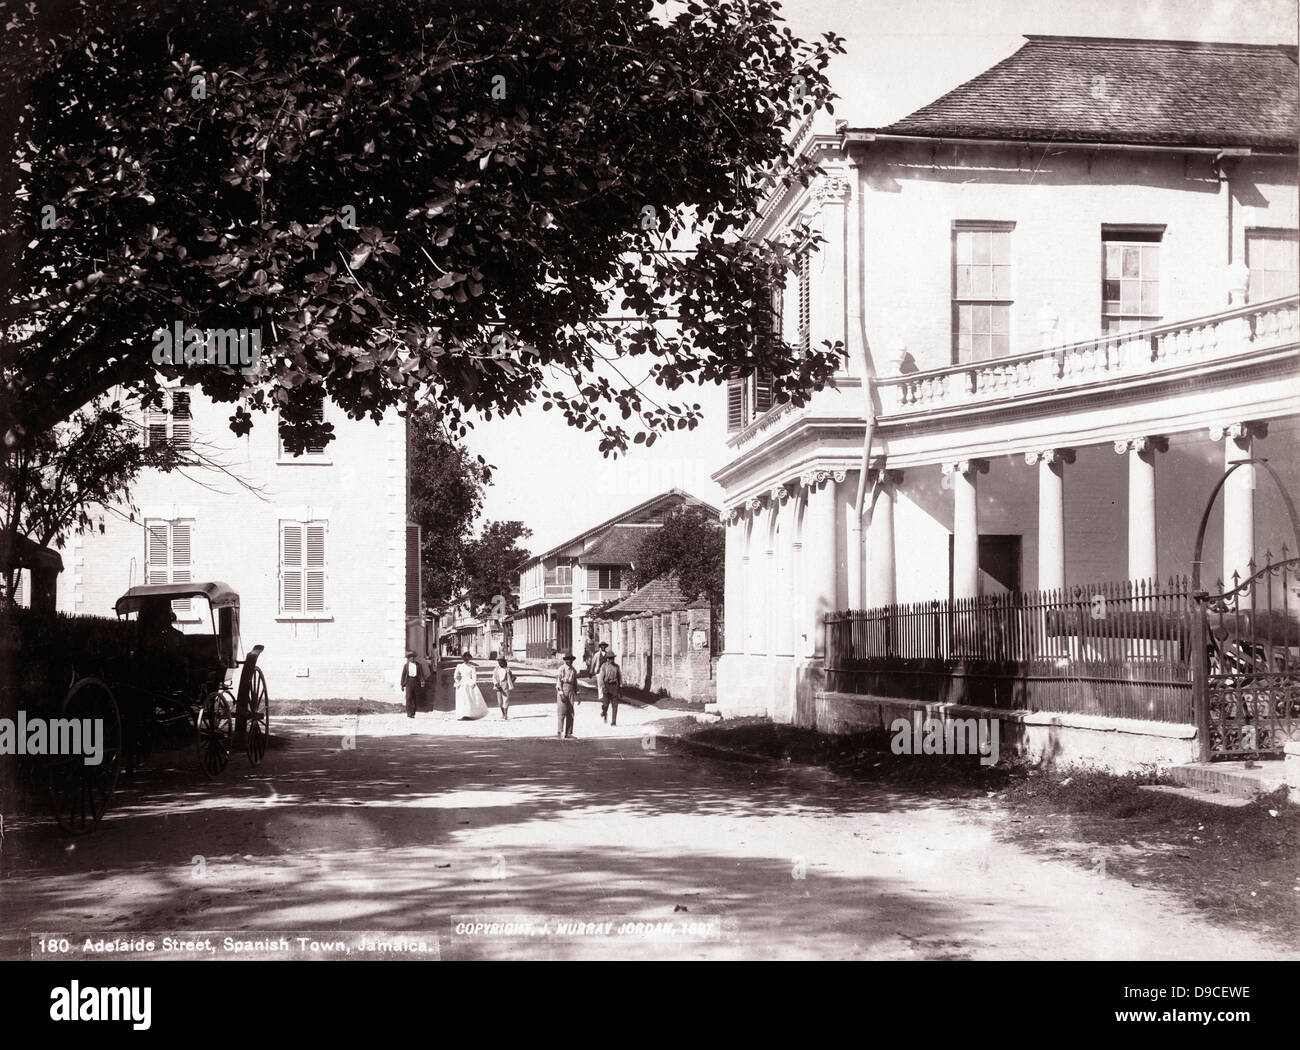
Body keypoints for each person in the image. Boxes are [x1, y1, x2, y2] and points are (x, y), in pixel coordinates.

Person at [453, 652, 488, 720]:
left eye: (468, 658)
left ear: (469, 659)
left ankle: (469, 714)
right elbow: (455, 676)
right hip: (462, 683)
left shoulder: (472, 667)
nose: (466, 660)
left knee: (470, 699)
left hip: (469, 683)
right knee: (462, 699)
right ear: (463, 659)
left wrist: (473, 683)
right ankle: (462, 714)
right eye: (465, 658)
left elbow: (474, 676)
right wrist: (458, 682)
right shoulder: (459, 666)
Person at [555, 653, 579, 739]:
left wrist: (578, 694)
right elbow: (558, 683)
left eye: (571, 659)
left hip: (571, 690)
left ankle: (568, 732)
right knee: (562, 712)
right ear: (565, 660)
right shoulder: (561, 669)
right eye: (567, 659)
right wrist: (561, 694)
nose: (569, 661)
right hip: (563, 689)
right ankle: (559, 732)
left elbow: (575, 683)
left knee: (571, 712)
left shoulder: (573, 670)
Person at [598, 653, 623, 726]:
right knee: (605, 704)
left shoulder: (616, 667)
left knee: (615, 705)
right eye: (610, 658)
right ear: (607, 659)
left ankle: (613, 721)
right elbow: (601, 678)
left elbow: (619, 677)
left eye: (612, 658)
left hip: (614, 686)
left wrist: (620, 687)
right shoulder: (604, 666)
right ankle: (604, 712)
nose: (611, 659)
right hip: (606, 686)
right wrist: (603, 687)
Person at [400, 650, 424, 719]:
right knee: (408, 698)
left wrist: (422, 682)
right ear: (408, 658)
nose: (412, 658)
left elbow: (421, 674)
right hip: (408, 682)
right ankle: (409, 713)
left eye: (413, 657)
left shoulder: (418, 665)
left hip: (416, 682)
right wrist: (402, 685)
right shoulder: (406, 666)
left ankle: (413, 713)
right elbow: (403, 675)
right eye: (410, 657)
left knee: (414, 698)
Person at [591, 641, 610, 708]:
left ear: (605, 647)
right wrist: (591, 671)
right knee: (600, 684)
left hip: (606, 671)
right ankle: (601, 697)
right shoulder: (597, 654)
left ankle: (605, 696)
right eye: (602, 646)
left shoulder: (607, 654)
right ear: (600, 647)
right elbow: (593, 663)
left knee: (606, 683)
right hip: (599, 671)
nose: (603, 647)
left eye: (604, 646)